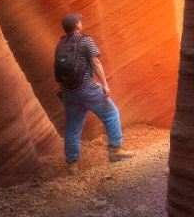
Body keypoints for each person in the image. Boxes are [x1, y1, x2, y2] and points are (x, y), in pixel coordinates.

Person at [54, 13, 134, 173]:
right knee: (111, 114)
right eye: (80, 21)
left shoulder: (60, 45)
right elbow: (96, 63)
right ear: (77, 24)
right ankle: (115, 150)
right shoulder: (85, 41)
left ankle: (72, 164)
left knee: (72, 128)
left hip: (69, 93)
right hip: (88, 89)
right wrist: (104, 85)